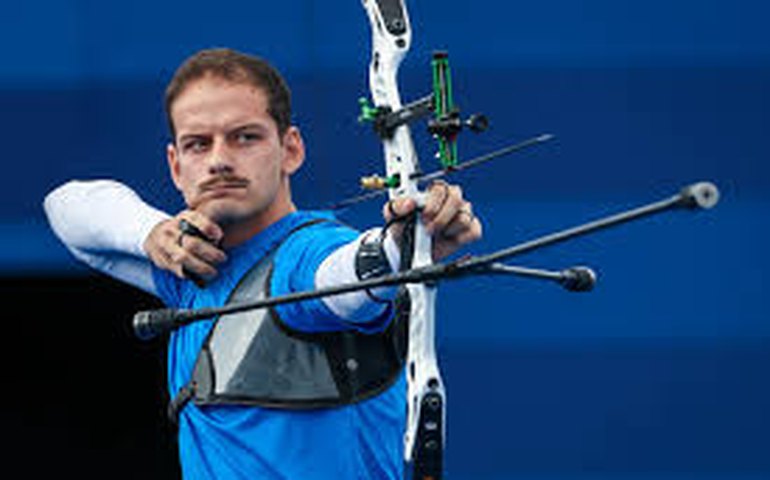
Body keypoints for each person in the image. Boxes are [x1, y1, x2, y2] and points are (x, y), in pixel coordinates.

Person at [44, 48, 481, 479]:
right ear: (176, 167)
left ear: (291, 149)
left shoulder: (307, 252)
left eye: (245, 137)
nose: (219, 160)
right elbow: (66, 207)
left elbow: (347, 276)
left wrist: (404, 243)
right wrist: (152, 233)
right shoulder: (192, 269)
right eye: (198, 144)